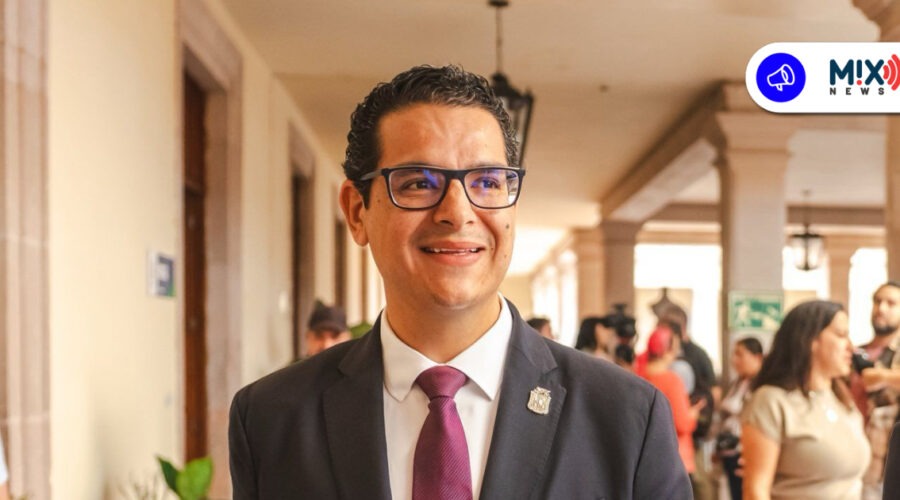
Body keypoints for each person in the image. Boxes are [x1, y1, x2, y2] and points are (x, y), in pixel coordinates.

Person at [229, 65, 691, 499]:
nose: (457, 212)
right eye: (417, 182)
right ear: (356, 212)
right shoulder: (272, 418)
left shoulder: (626, 416)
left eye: (487, 182)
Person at [741, 300, 869, 500]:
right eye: (841, 335)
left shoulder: (842, 400)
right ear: (811, 339)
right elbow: (756, 490)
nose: (851, 347)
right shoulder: (771, 401)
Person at [849, 281, 900, 500]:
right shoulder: (855, 352)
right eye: (877, 301)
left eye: (891, 303)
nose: (881, 308)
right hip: (848, 456)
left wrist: (883, 377)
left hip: (884, 463)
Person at [640, 325, 705, 479]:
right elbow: (682, 424)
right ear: (668, 350)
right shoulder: (671, 380)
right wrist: (693, 414)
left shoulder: (638, 376)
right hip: (676, 458)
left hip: (648, 458)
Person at [716, 337, 764, 500]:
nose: (735, 360)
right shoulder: (736, 383)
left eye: (740, 355)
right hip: (729, 450)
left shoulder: (762, 387)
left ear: (757, 357)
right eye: (734, 355)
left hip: (745, 451)